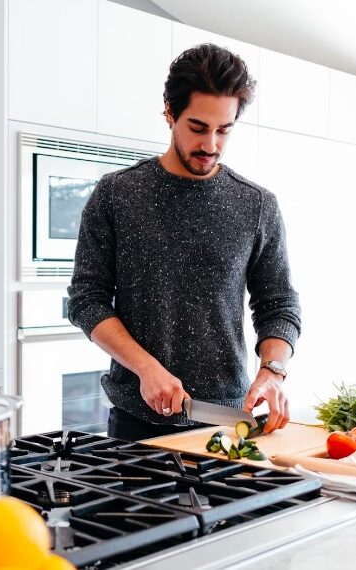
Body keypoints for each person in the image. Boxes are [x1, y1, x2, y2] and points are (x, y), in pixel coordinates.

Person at [66, 44, 301, 442]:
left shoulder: (257, 205)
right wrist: (145, 368)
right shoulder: (117, 194)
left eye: (224, 129)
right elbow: (86, 300)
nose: (211, 144)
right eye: (198, 127)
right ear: (169, 113)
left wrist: (272, 370)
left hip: (228, 421)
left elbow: (279, 304)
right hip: (136, 423)